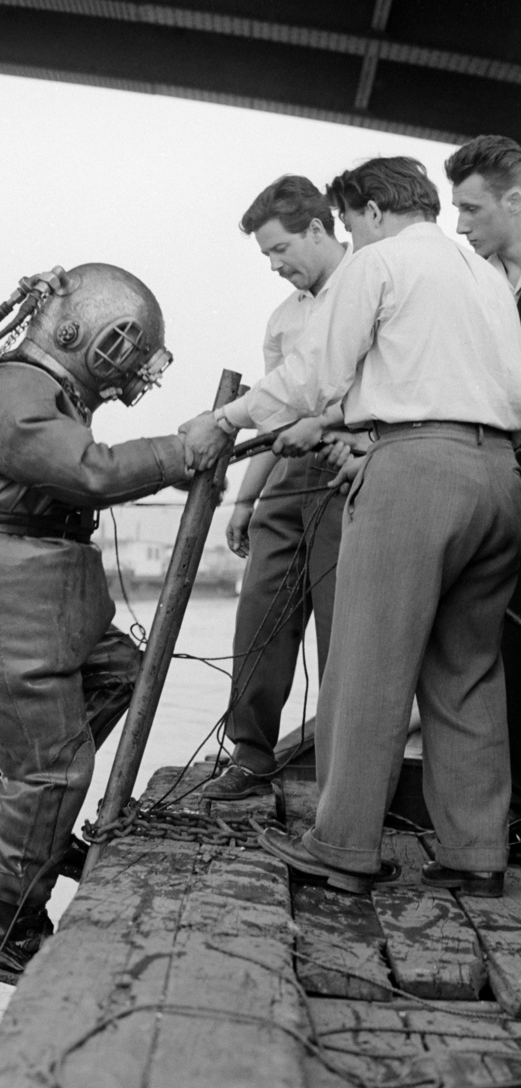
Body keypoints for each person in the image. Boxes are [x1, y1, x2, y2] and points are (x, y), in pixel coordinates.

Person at [179, 157, 521, 897]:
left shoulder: (381, 265)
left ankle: (342, 848)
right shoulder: (489, 278)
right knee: (468, 669)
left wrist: (224, 418)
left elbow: (311, 377)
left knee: (368, 660)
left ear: (367, 211)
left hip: (414, 468)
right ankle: (476, 853)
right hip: (499, 474)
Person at [0, 263, 208, 983]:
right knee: (51, 768)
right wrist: (183, 449)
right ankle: (9, 933)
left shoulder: (34, 389)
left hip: (33, 589)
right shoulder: (19, 393)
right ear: (85, 333)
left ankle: (16, 825)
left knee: (120, 675)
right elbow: (92, 472)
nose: (126, 375)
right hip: (1, 596)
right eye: (125, 355)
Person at [204, 176, 350, 801]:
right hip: (289, 475)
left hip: (350, 467)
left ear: (319, 229)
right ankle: (252, 753)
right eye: (265, 255)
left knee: (344, 630)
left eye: (280, 247)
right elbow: (273, 413)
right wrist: (243, 500)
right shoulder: (283, 318)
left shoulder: (370, 283)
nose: (275, 264)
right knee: (260, 612)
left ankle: (345, 777)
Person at [444, 135, 521, 840]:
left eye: (471, 209)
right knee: (502, 641)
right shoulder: (478, 284)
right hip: (502, 476)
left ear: (515, 199)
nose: (461, 226)